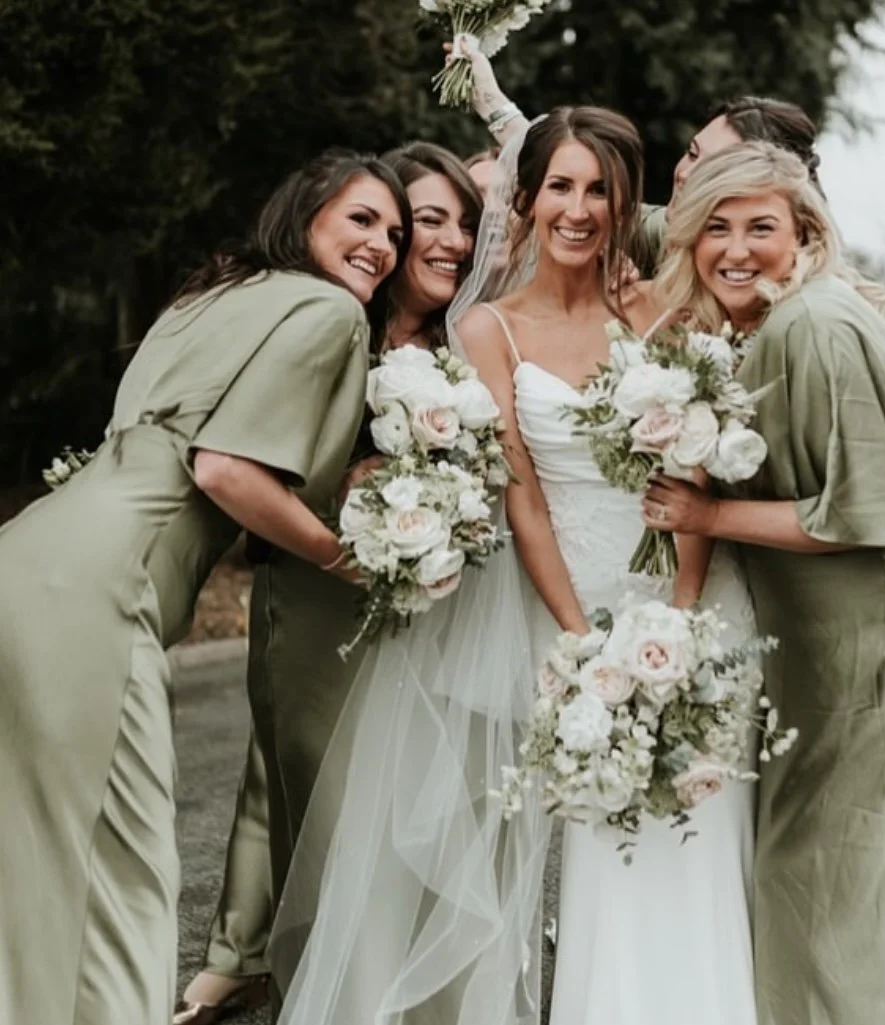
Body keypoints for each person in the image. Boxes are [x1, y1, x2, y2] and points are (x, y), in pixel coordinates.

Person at [269, 106, 761, 1025]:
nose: (578, 210)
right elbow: (523, 494)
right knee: (570, 839)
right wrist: (583, 645)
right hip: (555, 608)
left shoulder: (663, 306)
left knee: (690, 834)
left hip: (678, 597)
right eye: (561, 188)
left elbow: (691, 456)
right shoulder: (488, 329)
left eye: (600, 190)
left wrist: (682, 616)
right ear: (528, 201)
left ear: (625, 204)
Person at [0, 148, 411, 1025]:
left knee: (33, 848)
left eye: (394, 232)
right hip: (98, 590)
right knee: (121, 868)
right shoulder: (329, 308)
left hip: (34, 549)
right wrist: (346, 556)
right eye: (361, 219)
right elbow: (226, 469)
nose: (383, 245)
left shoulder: (211, 294)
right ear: (306, 215)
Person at [642, 142, 885, 1025]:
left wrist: (705, 516)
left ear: (805, 233)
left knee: (858, 857)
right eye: (713, 228)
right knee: (832, 854)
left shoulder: (818, 325)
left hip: (878, 618)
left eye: (760, 226)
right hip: (834, 620)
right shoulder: (766, 322)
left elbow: (872, 512)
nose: (733, 248)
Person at [175, 142, 483, 1025]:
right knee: (305, 791)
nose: (451, 240)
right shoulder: (331, 320)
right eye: (429, 219)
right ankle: (267, 965)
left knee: (414, 824)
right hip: (313, 598)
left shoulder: (468, 344)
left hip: (430, 612)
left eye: (466, 222)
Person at [460, 43, 885, 428]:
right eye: (692, 153)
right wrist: (493, 101)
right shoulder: (671, 232)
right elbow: (569, 190)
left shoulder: (820, 289)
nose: (687, 173)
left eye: (714, 169)